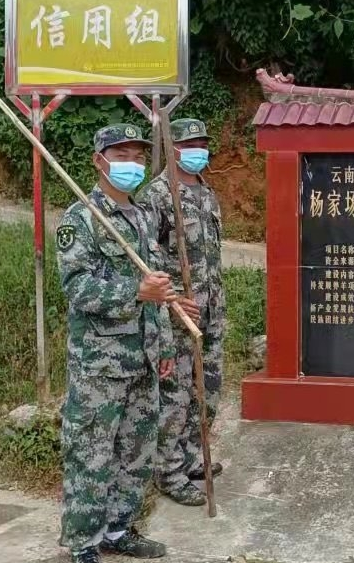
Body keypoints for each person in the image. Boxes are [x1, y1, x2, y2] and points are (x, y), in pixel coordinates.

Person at [56, 123, 200, 563]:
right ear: (99, 161)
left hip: (145, 357)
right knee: (92, 453)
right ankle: (83, 543)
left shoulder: (141, 217)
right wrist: (135, 291)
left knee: (136, 452)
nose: (131, 164)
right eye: (121, 156)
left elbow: (157, 286)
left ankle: (118, 529)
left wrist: (168, 328)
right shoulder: (81, 218)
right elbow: (77, 288)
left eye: (137, 157)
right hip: (101, 364)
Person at [138, 118, 227, 507]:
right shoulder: (156, 196)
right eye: (190, 144)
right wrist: (171, 299)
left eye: (202, 144)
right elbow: (145, 260)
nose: (198, 151)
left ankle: (191, 457)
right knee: (175, 396)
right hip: (178, 314)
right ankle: (168, 470)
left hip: (211, 310)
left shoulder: (206, 192)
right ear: (172, 148)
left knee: (207, 389)